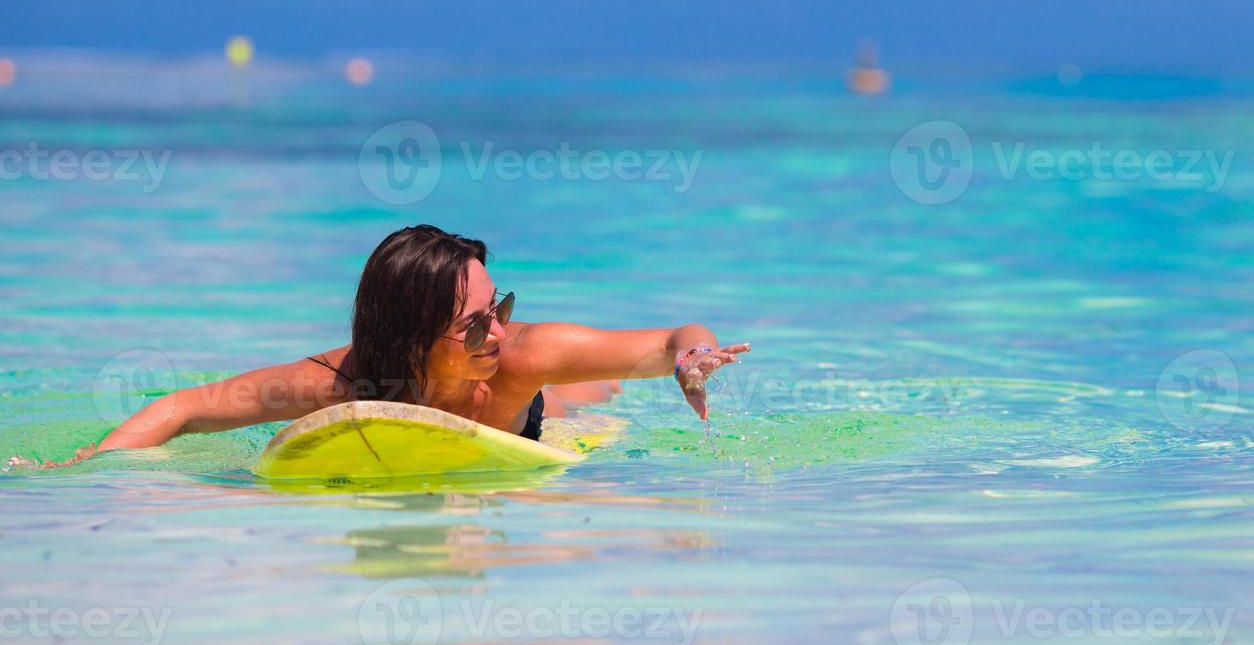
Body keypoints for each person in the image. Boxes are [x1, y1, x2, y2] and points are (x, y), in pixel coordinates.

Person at [14, 225, 749, 469]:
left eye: (500, 308)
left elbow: (673, 337)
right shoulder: (347, 383)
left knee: (590, 398)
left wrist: (690, 363)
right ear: (407, 340)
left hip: (536, 410)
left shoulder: (525, 352)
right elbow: (186, 407)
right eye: (473, 323)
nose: (496, 329)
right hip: (428, 409)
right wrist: (89, 469)